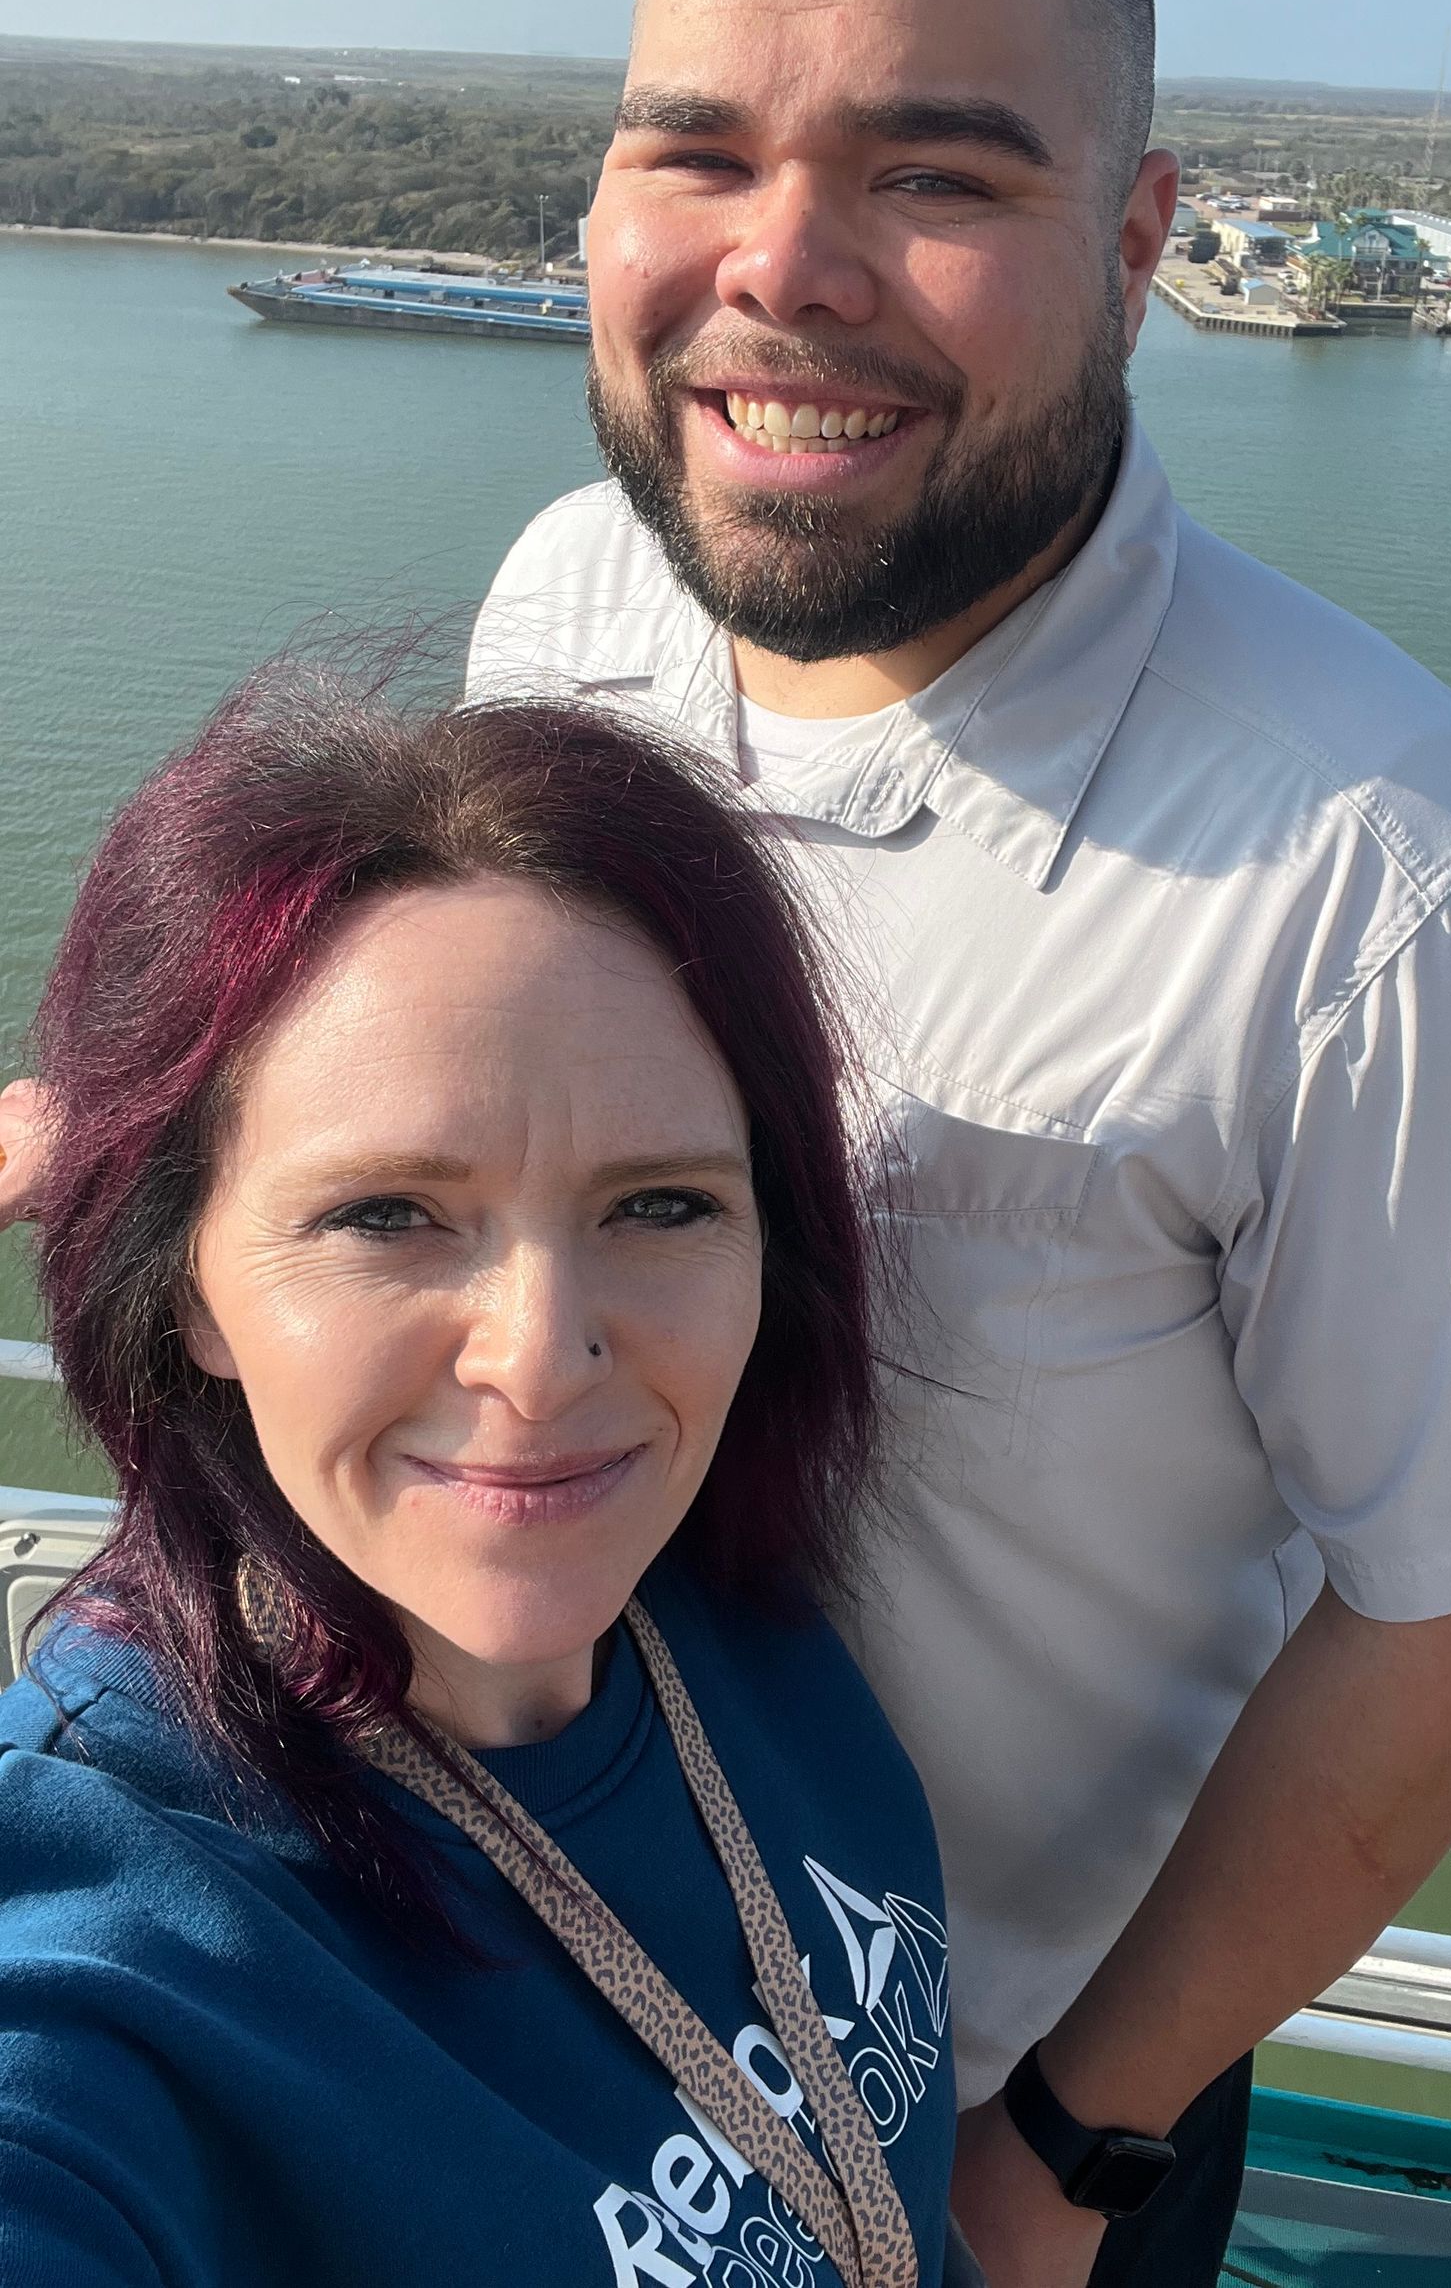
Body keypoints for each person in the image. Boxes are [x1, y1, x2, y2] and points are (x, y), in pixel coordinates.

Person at [0, 0, 1451, 2282]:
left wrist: (1071, 2146)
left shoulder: (1380, 881)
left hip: (983, 2068)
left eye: (933, 174)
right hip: (510, 1959)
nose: (782, 269)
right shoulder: (577, 596)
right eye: (694, 153)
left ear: (1132, 243)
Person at [0, 681, 960, 2288]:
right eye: (385, 1215)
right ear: (182, 1290)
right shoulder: (126, 1926)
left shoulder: (726, 1605)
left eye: (658, 1207)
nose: (541, 1359)